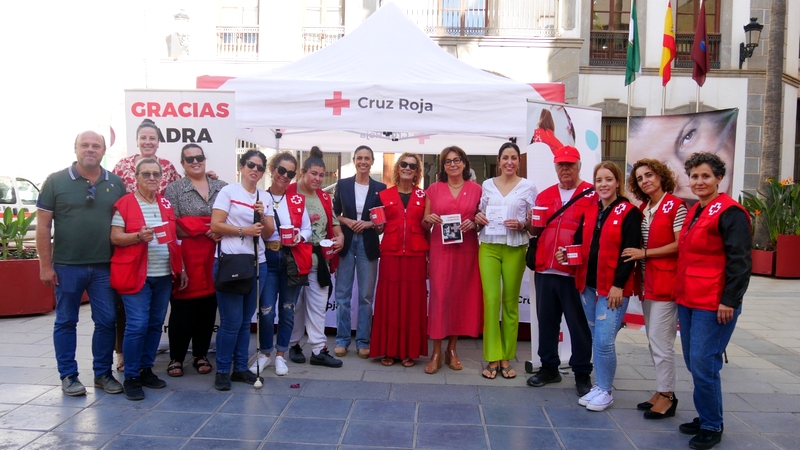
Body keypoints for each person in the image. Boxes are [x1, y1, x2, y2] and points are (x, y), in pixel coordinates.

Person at [37, 130, 127, 396]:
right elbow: (43, 226)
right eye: (84, 145)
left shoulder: (116, 183)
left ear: (103, 151)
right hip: (67, 266)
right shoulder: (55, 181)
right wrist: (45, 266)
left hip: (104, 266)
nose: (90, 149)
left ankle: (103, 374)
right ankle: (68, 375)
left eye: (96, 146)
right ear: (75, 149)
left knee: (107, 320)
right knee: (66, 321)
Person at [673, 152, 751, 450]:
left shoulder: (731, 212)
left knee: (704, 363)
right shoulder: (696, 209)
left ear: (719, 178)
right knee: (694, 362)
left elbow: (740, 261)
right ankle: (706, 414)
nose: (699, 181)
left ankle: (711, 424)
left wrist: (730, 300)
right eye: (694, 176)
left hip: (714, 303)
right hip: (689, 299)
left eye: (706, 176)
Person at [560, 161, 642, 412]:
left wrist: (618, 285)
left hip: (612, 289)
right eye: (599, 180)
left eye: (608, 179)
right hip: (588, 286)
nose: (603, 184)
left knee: (605, 341)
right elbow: (578, 242)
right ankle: (600, 386)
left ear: (617, 182)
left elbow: (629, 253)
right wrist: (566, 254)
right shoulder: (591, 211)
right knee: (597, 339)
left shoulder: (629, 212)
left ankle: (605, 391)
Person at [110, 158, 187, 401]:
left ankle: (145, 369)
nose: (152, 178)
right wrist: (137, 237)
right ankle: (131, 376)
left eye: (156, 174)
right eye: (146, 174)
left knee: (154, 324)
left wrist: (181, 268)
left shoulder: (165, 203)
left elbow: (174, 238)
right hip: (136, 275)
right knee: (137, 325)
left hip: (163, 275)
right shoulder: (125, 203)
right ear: (136, 177)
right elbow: (115, 237)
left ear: (161, 177)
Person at [526, 146, 596, 396]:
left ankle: (582, 372)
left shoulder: (592, 194)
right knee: (547, 323)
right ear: (555, 167)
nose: (565, 169)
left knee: (578, 326)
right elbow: (535, 231)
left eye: (570, 164)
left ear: (579, 166)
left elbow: (595, 234)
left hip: (575, 273)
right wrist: (529, 222)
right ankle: (548, 368)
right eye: (561, 165)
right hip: (545, 270)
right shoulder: (544, 195)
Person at [621, 158, 687, 419]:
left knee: (661, 342)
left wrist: (644, 253)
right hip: (648, 284)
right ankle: (661, 390)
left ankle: (668, 396)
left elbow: (680, 244)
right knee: (654, 341)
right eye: (639, 178)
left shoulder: (675, 206)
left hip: (666, 284)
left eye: (649, 175)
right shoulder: (645, 207)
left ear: (660, 176)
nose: (645, 180)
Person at [210, 150, 275, 390]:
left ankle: (239, 368)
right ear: (241, 166)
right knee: (231, 321)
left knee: (246, 321)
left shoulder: (264, 197)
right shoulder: (228, 192)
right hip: (232, 262)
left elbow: (268, 233)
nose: (255, 170)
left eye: (259, 167)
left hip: (258, 263)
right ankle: (222, 370)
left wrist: (262, 216)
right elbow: (215, 224)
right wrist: (243, 231)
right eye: (250, 164)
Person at [474, 143, 537, 379]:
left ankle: (506, 357)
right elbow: (480, 215)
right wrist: (479, 218)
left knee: (510, 303)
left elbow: (534, 223)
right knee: (491, 301)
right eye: (505, 158)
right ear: (499, 161)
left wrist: (523, 224)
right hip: (489, 246)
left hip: (515, 247)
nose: (509, 162)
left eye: (513, 158)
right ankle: (492, 356)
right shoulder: (487, 185)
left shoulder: (528, 187)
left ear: (519, 161)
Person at [163, 144, 227, 378]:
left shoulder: (222, 187)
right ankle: (176, 357)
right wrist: (209, 226)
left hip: (216, 255)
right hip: (187, 257)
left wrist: (217, 228)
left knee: (208, 308)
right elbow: (173, 225)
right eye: (189, 159)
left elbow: (231, 218)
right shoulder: (174, 189)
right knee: (182, 310)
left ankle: (201, 354)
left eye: (199, 157)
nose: (195, 162)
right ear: (182, 163)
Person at [249, 152, 311, 377]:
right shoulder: (260, 197)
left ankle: (281, 354)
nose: (285, 176)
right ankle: (265, 353)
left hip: (290, 258)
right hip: (267, 257)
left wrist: (299, 237)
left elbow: (307, 229)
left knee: (287, 308)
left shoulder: (297, 200)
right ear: (272, 170)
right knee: (266, 310)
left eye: (290, 173)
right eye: (282, 170)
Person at [422, 146, 483, 374]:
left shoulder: (476, 189)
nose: (453, 164)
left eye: (457, 160)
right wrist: (429, 219)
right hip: (440, 250)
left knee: (459, 297)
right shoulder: (433, 189)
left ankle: (452, 349)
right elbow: (424, 223)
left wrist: (474, 223)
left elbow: (482, 219)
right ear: (443, 166)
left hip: (466, 250)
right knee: (439, 297)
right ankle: (436, 352)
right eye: (448, 161)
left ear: (464, 163)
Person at [370, 153, 429, 367]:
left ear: (417, 172)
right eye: (404, 164)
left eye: (412, 166)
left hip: (416, 255)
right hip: (391, 254)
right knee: (390, 301)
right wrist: (377, 226)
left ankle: (408, 351)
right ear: (397, 168)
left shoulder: (424, 196)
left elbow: (427, 228)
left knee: (413, 303)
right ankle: (389, 349)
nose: (407, 168)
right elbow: (379, 227)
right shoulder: (384, 195)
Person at [288, 147, 345, 367]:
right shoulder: (288, 192)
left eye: (321, 175)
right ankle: (293, 344)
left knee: (318, 305)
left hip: (319, 259)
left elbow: (334, 224)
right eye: (314, 173)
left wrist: (340, 237)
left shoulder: (324, 196)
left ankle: (319, 349)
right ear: (303, 172)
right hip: (294, 257)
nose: (318, 179)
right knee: (295, 305)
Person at [333, 145, 386, 358]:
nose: (363, 162)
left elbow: (381, 219)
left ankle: (363, 341)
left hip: (368, 242)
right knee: (342, 295)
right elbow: (334, 212)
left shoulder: (380, 187)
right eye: (359, 158)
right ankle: (342, 340)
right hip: (346, 241)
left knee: (366, 296)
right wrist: (347, 220)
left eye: (367, 158)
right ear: (354, 160)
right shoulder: (343, 184)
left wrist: (369, 224)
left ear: (372, 162)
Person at [627, 110, 737, 203]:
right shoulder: (693, 212)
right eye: (662, 167)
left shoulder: (732, 212)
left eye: (688, 137)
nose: (686, 178)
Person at [113, 119, 182, 195]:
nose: (147, 142)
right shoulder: (123, 166)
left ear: (158, 142)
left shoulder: (168, 167)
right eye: (143, 138)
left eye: (152, 138)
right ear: (137, 141)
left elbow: (179, 193)